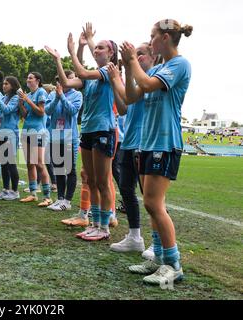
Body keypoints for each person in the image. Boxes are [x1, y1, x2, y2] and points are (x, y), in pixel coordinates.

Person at [120, 19, 193, 286]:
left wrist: (133, 62)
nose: (149, 41)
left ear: (164, 38)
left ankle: (173, 264)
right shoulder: (159, 67)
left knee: (153, 203)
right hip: (149, 144)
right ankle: (159, 258)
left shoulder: (179, 65)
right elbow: (130, 98)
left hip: (165, 143)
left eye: (152, 37)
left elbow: (149, 85)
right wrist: (129, 67)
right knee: (150, 205)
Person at [45, 22, 123, 241]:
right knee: (91, 179)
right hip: (88, 131)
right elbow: (68, 80)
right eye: (95, 47)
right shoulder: (92, 78)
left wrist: (73, 51)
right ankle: (95, 223)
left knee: (102, 180)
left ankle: (104, 227)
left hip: (103, 130)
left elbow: (80, 70)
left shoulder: (109, 71)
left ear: (111, 54)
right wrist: (60, 60)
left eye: (101, 47)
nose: (96, 49)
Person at [107, 43, 157, 257]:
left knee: (151, 198)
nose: (137, 57)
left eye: (141, 54)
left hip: (146, 142)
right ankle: (135, 237)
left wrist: (125, 71)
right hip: (129, 142)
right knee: (127, 189)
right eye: (135, 54)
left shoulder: (153, 78)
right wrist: (116, 80)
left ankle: (159, 243)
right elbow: (125, 105)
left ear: (153, 57)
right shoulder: (137, 80)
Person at [45, 71, 83, 211]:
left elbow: (72, 111)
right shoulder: (51, 94)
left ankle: (67, 201)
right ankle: (60, 198)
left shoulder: (77, 95)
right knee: (59, 169)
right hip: (56, 135)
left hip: (69, 135)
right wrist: (56, 97)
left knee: (69, 170)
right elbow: (47, 111)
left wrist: (61, 96)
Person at [18, 72, 53, 207]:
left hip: (38, 132)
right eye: (27, 77)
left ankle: (47, 197)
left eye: (30, 78)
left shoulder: (41, 92)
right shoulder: (30, 94)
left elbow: (40, 112)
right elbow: (26, 115)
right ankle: (33, 194)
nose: (28, 80)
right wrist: (21, 104)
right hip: (27, 130)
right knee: (29, 163)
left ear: (37, 80)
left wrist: (27, 100)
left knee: (39, 164)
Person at [0, 76, 22, 201]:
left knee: (11, 163)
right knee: (3, 163)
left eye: (6, 84)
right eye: (3, 84)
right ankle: (6, 190)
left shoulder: (15, 98)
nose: (4, 86)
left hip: (10, 134)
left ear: (13, 85)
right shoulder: (3, 97)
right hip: (0, 133)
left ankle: (15, 191)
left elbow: (7, 110)